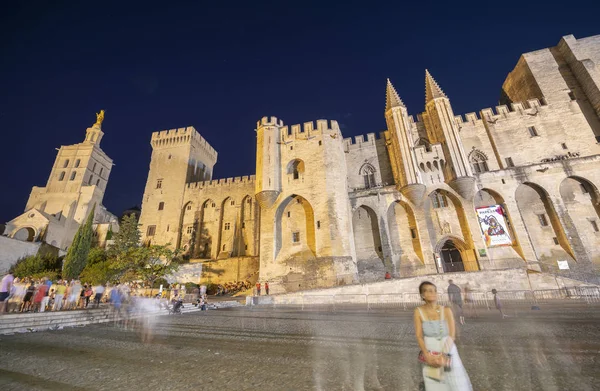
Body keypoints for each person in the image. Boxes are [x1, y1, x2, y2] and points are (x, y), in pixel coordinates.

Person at [414, 281, 472, 390]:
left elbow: (452, 335)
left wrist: (443, 355)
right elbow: (418, 335)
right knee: (435, 383)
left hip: (448, 349)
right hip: (430, 350)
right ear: (422, 295)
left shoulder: (446, 310)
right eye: (429, 291)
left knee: (455, 383)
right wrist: (427, 355)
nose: (433, 293)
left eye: (435, 291)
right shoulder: (418, 311)